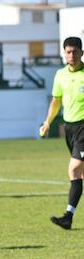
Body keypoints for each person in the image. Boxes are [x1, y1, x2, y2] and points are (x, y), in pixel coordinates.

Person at [40, 37, 84, 230]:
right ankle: (69, 217)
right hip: (69, 128)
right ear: (64, 53)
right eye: (68, 52)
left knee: (74, 169)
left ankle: (68, 216)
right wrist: (47, 122)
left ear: (82, 52)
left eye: (75, 51)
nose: (71, 55)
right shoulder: (60, 75)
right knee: (81, 175)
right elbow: (56, 101)